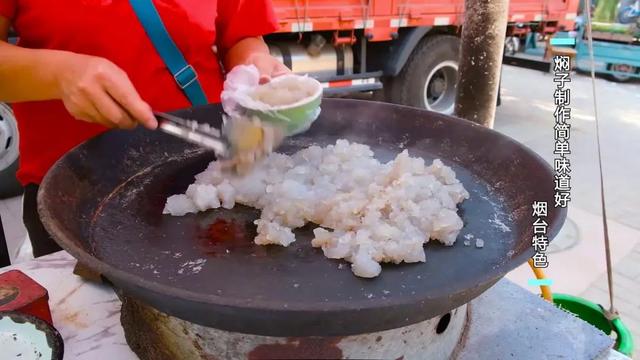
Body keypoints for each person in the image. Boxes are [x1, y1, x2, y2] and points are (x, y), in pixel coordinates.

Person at [0, 0, 289, 258]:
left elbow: (242, 36)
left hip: (208, 185)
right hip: (75, 196)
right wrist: (60, 75)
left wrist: (254, 65)